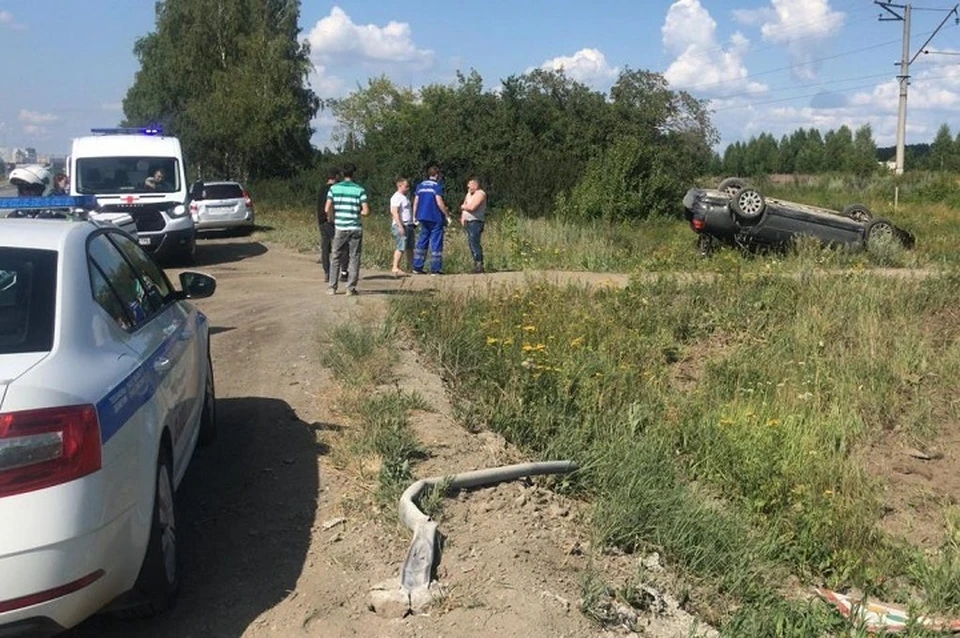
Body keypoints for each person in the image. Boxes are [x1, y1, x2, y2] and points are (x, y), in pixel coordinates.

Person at [324, 163, 369, 295]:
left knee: (336, 256)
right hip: (355, 227)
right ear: (353, 174)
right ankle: (350, 288)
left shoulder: (334, 189)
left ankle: (332, 287)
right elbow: (366, 211)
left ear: (342, 174)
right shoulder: (359, 189)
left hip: (340, 227)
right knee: (354, 257)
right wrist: (356, 212)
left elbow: (327, 208)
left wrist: (332, 217)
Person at [412, 166, 452, 275]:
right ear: (437, 175)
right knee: (436, 243)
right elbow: (439, 202)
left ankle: (417, 266)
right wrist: (447, 215)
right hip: (435, 217)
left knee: (422, 241)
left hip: (422, 216)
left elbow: (416, 202)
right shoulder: (437, 187)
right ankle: (435, 269)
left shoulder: (420, 186)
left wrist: (414, 216)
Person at [316, 167, 348, 281]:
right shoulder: (336, 189)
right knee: (342, 246)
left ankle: (327, 272)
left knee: (325, 247)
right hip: (333, 221)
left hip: (321, 221)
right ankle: (343, 271)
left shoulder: (321, 189)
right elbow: (331, 206)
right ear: (336, 176)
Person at [460, 176, 488, 273]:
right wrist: (463, 217)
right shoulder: (468, 194)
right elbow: (465, 206)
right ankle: (475, 264)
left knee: (475, 243)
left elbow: (472, 207)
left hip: (476, 221)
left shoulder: (480, 194)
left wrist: (463, 207)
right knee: (471, 243)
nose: (468, 186)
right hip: (469, 221)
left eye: (470, 184)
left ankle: (479, 264)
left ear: (476, 184)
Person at [389, 177, 414, 275]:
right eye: (406, 186)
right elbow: (394, 212)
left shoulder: (405, 197)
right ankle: (395, 267)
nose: (408, 188)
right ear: (399, 186)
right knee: (401, 245)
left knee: (410, 247)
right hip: (400, 224)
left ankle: (411, 267)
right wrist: (400, 226)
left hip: (408, 224)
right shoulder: (396, 197)